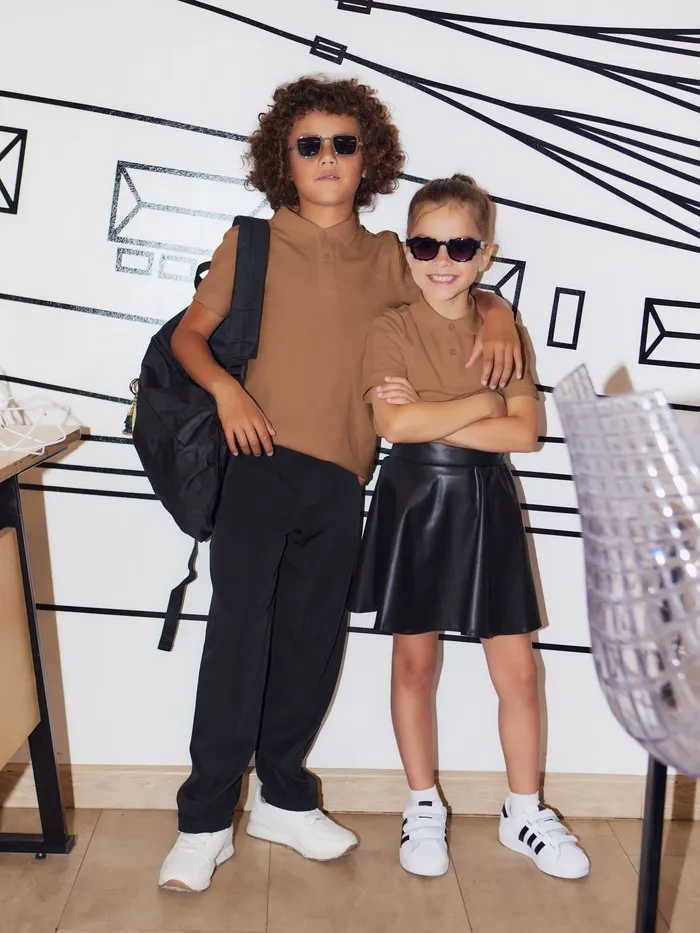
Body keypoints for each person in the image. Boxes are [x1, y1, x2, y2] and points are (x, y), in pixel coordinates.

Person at [158, 78, 524, 893]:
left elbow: (451, 287)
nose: (328, 157)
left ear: (369, 161)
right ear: (283, 159)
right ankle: (203, 820)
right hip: (257, 465)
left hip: (341, 479)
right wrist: (227, 391)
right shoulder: (252, 243)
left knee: (311, 642)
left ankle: (282, 797)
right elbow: (190, 336)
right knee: (237, 641)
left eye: (344, 144)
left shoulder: (391, 256)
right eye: (310, 145)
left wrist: (497, 311)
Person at [348, 174, 590, 881]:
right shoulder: (390, 327)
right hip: (413, 502)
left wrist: (436, 412)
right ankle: (422, 803)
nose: (442, 259)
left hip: (487, 501)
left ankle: (524, 810)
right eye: (426, 244)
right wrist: (481, 403)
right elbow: (393, 425)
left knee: (517, 670)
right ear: (407, 248)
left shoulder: (501, 329)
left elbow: (524, 434)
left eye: (460, 246)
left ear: (485, 254)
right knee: (414, 664)